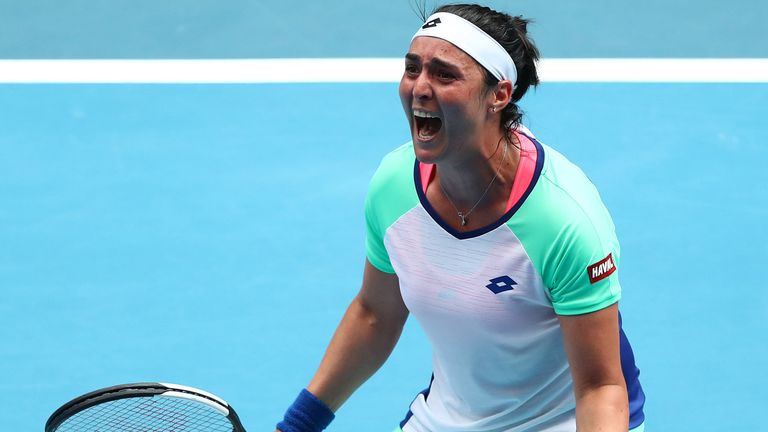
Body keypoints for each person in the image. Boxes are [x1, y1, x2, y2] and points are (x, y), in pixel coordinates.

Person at [276, 3, 646, 431]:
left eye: (444, 74)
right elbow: (375, 314)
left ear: (499, 95)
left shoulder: (562, 221)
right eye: (412, 69)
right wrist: (297, 426)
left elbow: (601, 387)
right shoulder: (394, 188)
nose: (419, 87)